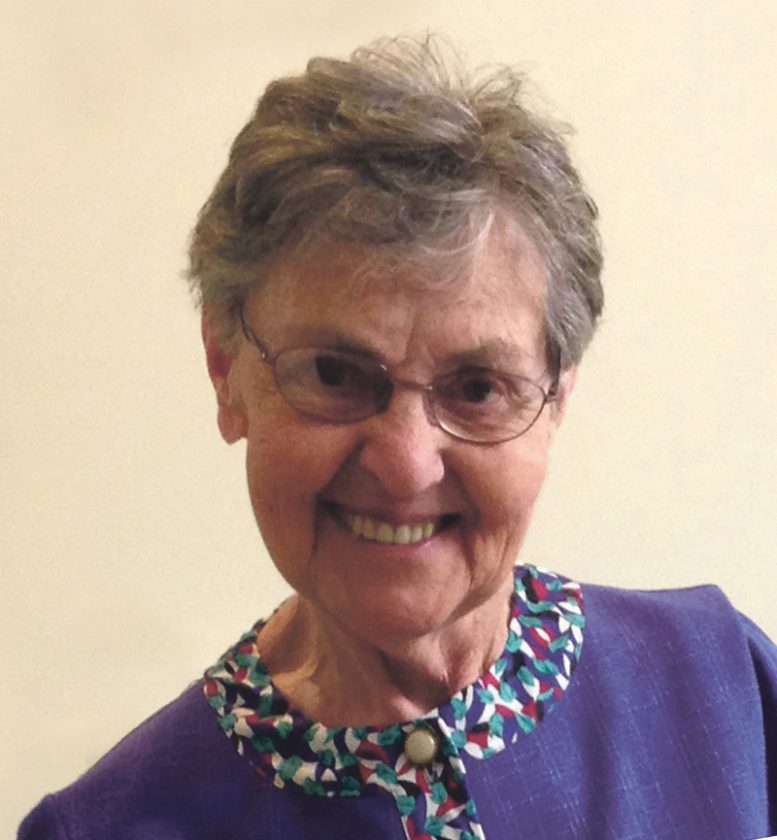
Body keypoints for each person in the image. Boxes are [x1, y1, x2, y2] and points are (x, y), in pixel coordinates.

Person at [19, 36, 777, 840]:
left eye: (477, 388)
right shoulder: (108, 826)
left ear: (557, 394)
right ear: (225, 369)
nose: (405, 465)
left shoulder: (718, 684)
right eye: (335, 374)